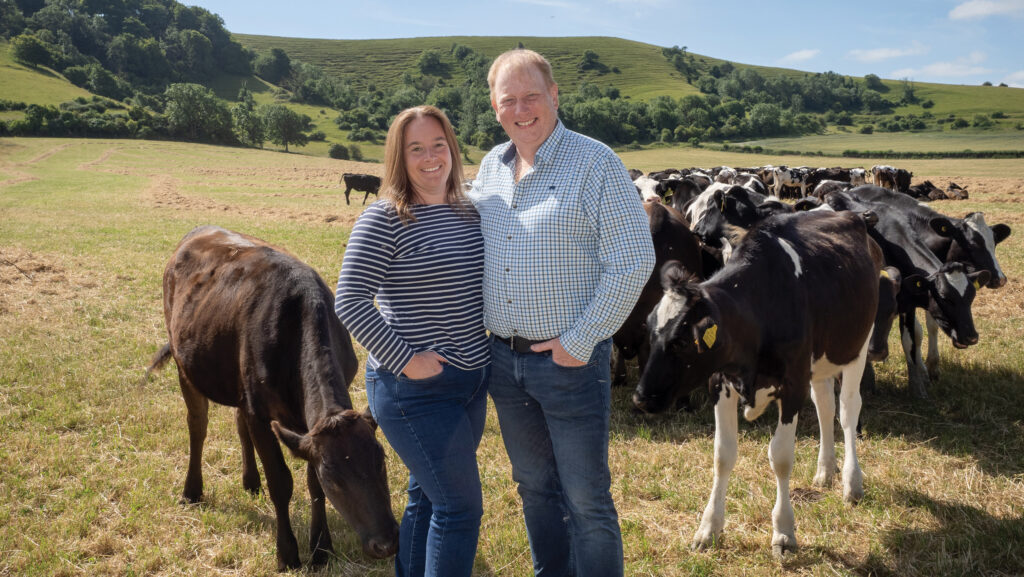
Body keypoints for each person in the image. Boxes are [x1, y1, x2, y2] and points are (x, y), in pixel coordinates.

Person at [468, 49, 655, 577]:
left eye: (532, 96)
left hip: (568, 362)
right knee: (533, 488)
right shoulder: (491, 167)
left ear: (554, 95)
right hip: (503, 362)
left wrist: (581, 339)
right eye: (510, 100)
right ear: (495, 106)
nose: (521, 109)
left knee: (587, 499)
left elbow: (634, 260)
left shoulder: (596, 162)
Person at [335, 105, 490, 577]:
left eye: (438, 145)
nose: (430, 158)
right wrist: (405, 359)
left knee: (427, 497)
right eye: (415, 149)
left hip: (471, 382)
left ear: (453, 150)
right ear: (397, 158)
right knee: (460, 510)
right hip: (414, 392)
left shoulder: (468, 210)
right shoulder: (385, 218)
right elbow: (350, 300)